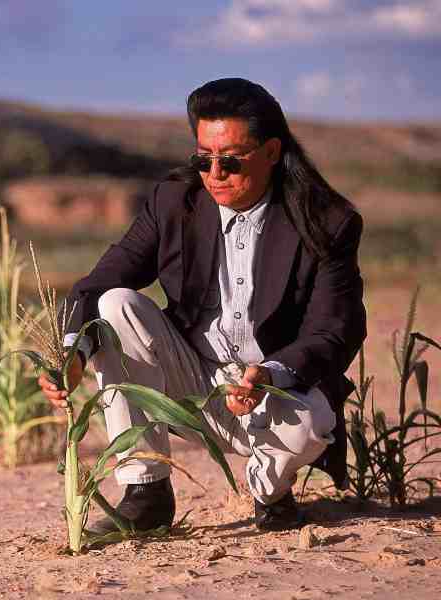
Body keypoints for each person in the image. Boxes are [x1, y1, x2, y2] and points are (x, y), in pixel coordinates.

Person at [38, 78, 366, 533]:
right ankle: (145, 492)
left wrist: (269, 373)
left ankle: (272, 496)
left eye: (230, 160)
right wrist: (71, 354)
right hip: (191, 387)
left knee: (310, 420)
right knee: (116, 304)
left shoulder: (327, 222)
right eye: (203, 158)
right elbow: (98, 284)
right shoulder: (175, 202)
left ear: (272, 152)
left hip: (273, 393)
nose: (215, 173)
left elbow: (335, 331)